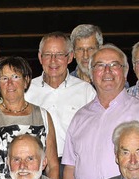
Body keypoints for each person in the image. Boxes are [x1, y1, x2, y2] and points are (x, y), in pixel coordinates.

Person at [61, 44, 139, 179]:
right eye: (100, 65)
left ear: (125, 72)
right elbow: (70, 167)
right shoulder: (80, 117)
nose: (107, 71)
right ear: (91, 74)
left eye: (114, 65)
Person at [25, 32, 96, 164]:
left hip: (74, 165)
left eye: (59, 55)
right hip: (36, 164)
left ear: (70, 57)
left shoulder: (86, 91)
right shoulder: (27, 90)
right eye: (47, 55)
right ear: (40, 58)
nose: (53, 61)